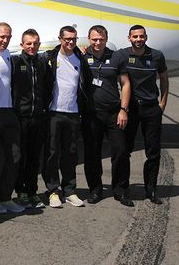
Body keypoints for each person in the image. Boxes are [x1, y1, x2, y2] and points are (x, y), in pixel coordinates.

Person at [81, 25, 134, 207]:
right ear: (88, 39)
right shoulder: (82, 56)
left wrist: (124, 109)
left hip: (113, 113)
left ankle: (120, 190)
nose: (98, 42)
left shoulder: (116, 57)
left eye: (101, 39)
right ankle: (95, 190)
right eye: (94, 39)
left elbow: (126, 84)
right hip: (91, 114)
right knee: (92, 154)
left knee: (120, 152)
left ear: (106, 39)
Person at [119, 25, 169, 204]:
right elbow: (103, 54)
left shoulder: (156, 56)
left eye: (141, 36)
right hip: (131, 109)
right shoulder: (123, 55)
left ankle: (151, 190)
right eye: (135, 36)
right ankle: (123, 190)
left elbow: (164, 79)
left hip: (151, 108)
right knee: (125, 150)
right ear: (129, 38)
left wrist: (162, 103)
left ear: (146, 37)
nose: (138, 39)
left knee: (153, 152)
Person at [44, 26, 92, 208]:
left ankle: (70, 190)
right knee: (52, 153)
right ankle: (53, 191)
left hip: (73, 113)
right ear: (60, 39)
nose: (70, 42)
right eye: (67, 39)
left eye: (73, 39)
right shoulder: (49, 58)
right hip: (54, 112)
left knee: (70, 154)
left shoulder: (80, 59)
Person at [0, 22, 26, 214]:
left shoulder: (10, 55)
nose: (5, 40)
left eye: (8, 37)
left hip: (9, 112)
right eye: (2, 36)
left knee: (14, 156)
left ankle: (6, 197)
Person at [11, 29, 51, 209]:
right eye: (28, 43)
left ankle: (33, 191)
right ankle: (21, 191)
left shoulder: (42, 63)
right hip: (21, 117)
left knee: (35, 157)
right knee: (21, 156)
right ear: (22, 45)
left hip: (38, 117)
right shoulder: (15, 61)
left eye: (35, 43)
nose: (32, 47)